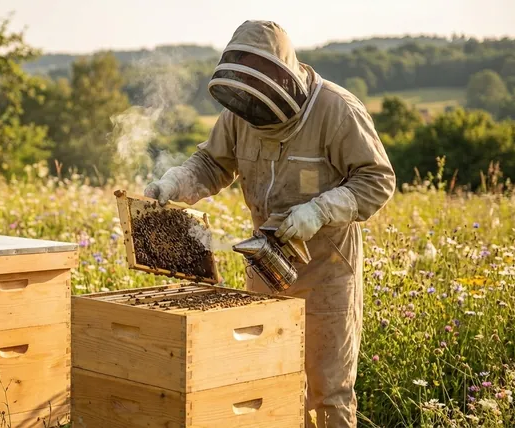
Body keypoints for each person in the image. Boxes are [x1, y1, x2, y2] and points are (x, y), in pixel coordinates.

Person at [144, 20, 396, 428]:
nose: (254, 115)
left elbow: (377, 179)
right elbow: (212, 163)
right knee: (265, 380)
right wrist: (174, 183)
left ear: (282, 74)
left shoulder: (337, 109)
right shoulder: (241, 111)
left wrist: (320, 210)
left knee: (326, 390)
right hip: (265, 262)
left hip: (326, 270)